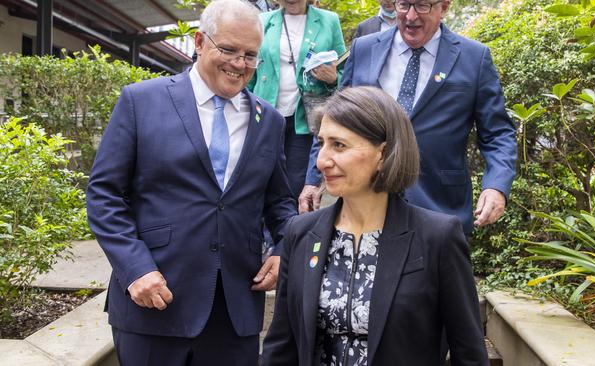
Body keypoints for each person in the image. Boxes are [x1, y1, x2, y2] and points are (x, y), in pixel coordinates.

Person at [86, 0, 296, 364]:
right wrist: (135, 269)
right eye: (228, 49)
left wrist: (282, 250)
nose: (239, 64)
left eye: (250, 55)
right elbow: (104, 194)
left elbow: (279, 203)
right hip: (153, 300)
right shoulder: (141, 101)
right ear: (199, 42)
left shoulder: (271, 121)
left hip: (235, 313)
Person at [261, 86, 488, 366]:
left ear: (383, 153)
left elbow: (470, 353)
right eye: (322, 143)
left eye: (339, 145)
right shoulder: (301, 233)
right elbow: (280, 346)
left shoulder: (437, 237)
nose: (322, 161)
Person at [299, 0, 517, 236]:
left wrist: (496, 186)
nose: (411, 16)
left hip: (438, 206)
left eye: (422, 6)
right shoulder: (364, 48)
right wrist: (313, 179)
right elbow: (334, 120)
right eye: (404, 5)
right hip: (364, 204)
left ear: (444, 7)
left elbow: (497, 133)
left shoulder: (474, 57)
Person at [249, 0, 346, 200]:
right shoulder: (263, 20)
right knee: (260, 179)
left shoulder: (329, 21)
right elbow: (250, 68)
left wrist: (334, 78)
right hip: (264, 113)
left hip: (305, 117)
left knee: (295, 184)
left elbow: (345, 70)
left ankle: (290, 229)